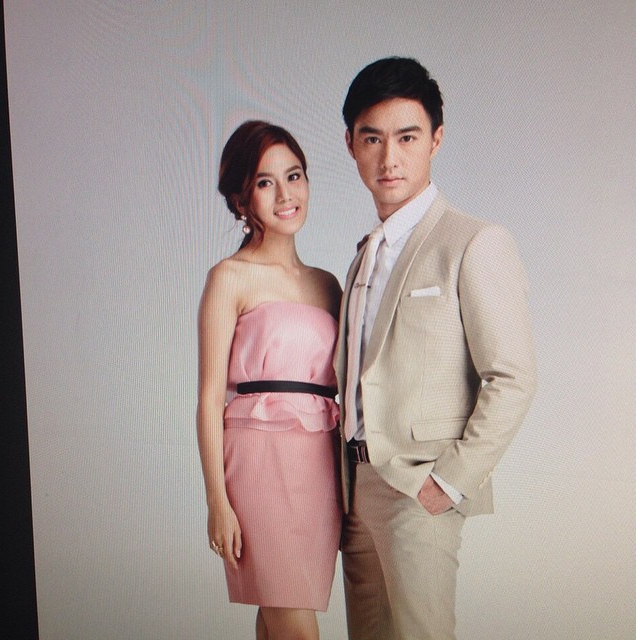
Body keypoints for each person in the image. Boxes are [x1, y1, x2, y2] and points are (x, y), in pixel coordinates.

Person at [336, 57, 538, 639]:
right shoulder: (364, 255)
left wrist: (448, 482)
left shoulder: (474, 241)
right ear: (350, 145)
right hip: (353, 487)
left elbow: (513, 377)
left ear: (436, 140)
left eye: (407, 138)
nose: (389, 158)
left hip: (417, 486)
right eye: (372, 139)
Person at [197, 121, 342, 640]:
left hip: (318, 468)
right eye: (265, 182)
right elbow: (209, 398)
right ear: (242, 199)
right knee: (295, 624)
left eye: (294, 176)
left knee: (277, 620)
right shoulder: (229, 278)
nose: (285, 194)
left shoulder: (328, 285)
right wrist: (217, 501)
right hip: (257, 464)